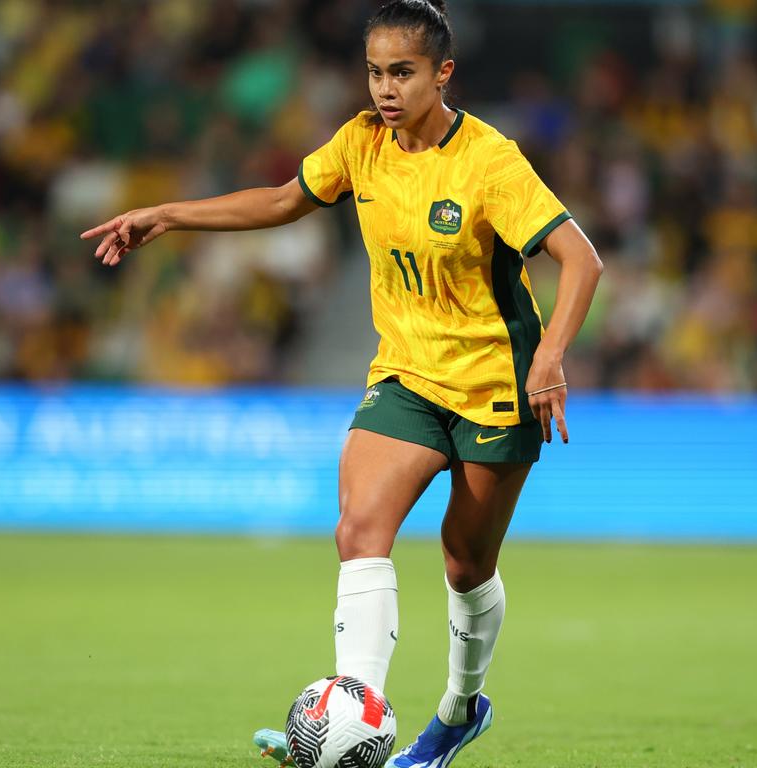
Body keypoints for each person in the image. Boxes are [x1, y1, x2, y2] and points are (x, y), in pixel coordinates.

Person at [81, 0, 602, 765]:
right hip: (405, 374)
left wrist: (552, 357)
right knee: (358, 531)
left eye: (402, 72)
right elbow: (284, 200)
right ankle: (352, 724)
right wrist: (169, 215)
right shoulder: (362, 141)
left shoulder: (490, 160)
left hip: (495, 381)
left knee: (466, 561)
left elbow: (581, 259)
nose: (384, 88)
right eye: (374, 71)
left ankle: (460, 709)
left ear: (442, 74)